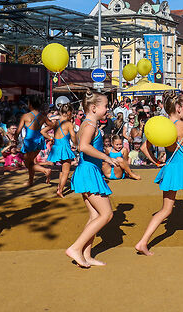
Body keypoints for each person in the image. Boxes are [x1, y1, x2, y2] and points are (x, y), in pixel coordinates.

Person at [135, 91, 183, 256]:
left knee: (165, 209)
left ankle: (143, 242)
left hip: (170, 167)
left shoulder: (161, 125)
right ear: (178, 108)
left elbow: (144, 148)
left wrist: (157, 162)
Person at [66, 91, 118, 268]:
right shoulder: (90, 125)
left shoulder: (89, 123)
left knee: (95, 215)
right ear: (94, 108)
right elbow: (83, 146)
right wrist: (106, 157)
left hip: (89, 171)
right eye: (105, 106)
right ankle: (75, 248)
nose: (107, 109)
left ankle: (86, 255)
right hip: (88, 172)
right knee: (107, 214)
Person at [42, 103, 77, 198]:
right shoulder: (69, 124)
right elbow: (73, 136)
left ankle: (59, 187)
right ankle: (60, 190)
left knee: (62, 170)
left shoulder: (56, 122)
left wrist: (50, 138)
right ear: (69, 113)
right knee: (66, 171)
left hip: (56, 147)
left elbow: (43, 131)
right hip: (64, 147)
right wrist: (76, 144)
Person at [16, 96, 51, 186]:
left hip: (30, 141)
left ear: (30, 105)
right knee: (31, 161)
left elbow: (18, 130)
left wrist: (15, 139)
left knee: (28, 162)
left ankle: (45, 170)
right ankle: (30, 181)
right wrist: (44, 131)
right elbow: (52, 124)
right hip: (39, 140)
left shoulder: (25, 116)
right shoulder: (42, 116)